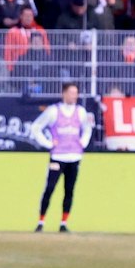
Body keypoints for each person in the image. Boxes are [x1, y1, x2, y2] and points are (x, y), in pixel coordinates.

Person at [30, 83, 95, 232]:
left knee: (69, 190)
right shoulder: (53, 111)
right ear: (64, 94)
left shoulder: (80, 112)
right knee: (50, 188)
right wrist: (47, 143)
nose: (74, 96)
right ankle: (41, 221)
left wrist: (83, 143)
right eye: (71, 93)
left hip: (74, 157)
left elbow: (87, 129)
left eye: (76, 93)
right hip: (58, 156)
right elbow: (36, 127)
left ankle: (63, 223)